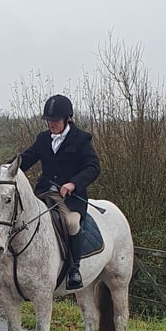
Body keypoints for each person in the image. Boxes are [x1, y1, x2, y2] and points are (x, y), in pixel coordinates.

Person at [17, 94, 100, 290]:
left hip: (69, 198)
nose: (51, 125)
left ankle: (74, 269)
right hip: (44, 194)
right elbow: (26, 159)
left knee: (71, 223)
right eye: (49, 121)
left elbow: (93, 167)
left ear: (67, 118)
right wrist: (3, 169)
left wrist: (73, 183)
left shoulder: (81, 139)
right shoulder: (43, 139)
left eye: (55, 121)